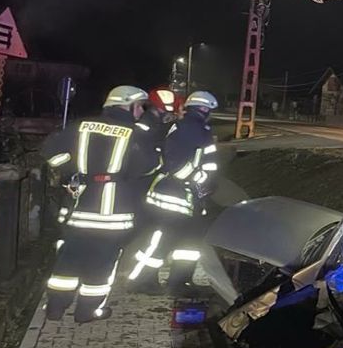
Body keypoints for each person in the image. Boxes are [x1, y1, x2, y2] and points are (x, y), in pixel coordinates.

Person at [42, 85, 159, 322]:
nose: (140, 112)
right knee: (101, 265)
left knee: (68, 259)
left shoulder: (81, 126)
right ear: (129, 105)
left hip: (79, 209)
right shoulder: (135, 133)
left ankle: (54, 308)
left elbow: (49, 150)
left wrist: (70, 170)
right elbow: (149, 166)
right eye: (140, 107)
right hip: (113, 215)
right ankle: (87, 311)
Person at [128, 90, 219, 294]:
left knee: (189, 243)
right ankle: (140, 281)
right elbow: (177, 166)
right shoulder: (190, 129)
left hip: (187, 197)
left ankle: (179, 282)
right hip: (174, 196)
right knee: (161, 242)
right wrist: (199, 182)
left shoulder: (194, 127)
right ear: (204, 109)